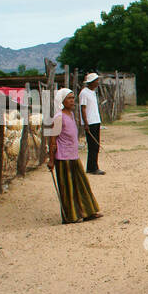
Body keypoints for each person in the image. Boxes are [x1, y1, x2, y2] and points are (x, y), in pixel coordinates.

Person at [48, 87, 101, 223]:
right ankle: (70, 216)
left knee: (81, 184)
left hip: (73, 156)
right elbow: (53, 140)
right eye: (69, 99)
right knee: (68, 188)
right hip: (63, 158)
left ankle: (88, 212)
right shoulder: (58, 117)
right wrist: (51, 160)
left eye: (73, 98)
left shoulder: (70, 115)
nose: (72, 101)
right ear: (62, 101)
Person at [80, 72, 104, 175]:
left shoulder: (93, 92)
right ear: (91, 82)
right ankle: (92, 168)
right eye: (96, 81)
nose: (98, 82)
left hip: (96, 121)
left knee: (96, 145)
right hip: (90, 122)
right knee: (92, 145)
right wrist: (86, 123)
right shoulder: (84, 93)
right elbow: (83, 108)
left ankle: (93, 166)